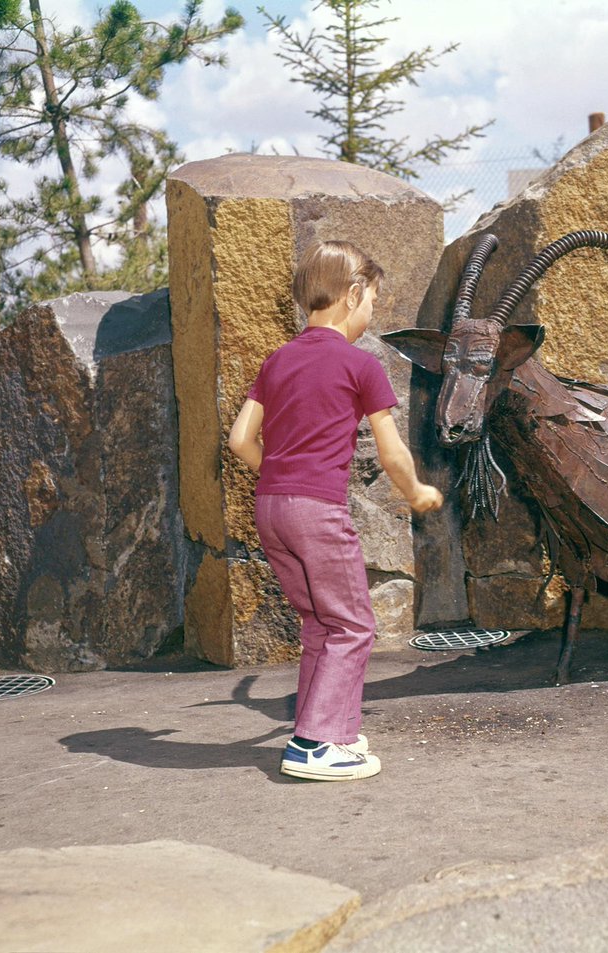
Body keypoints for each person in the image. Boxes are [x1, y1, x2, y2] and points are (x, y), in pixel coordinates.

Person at [227, 240, 443, 782]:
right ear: (352, 294)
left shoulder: (276, 360)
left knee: (320, 626)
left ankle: (334, 731)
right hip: (317, 510)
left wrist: (280, 478)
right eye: (372, 297)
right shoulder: (360, 364)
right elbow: (391, 451)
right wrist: (415, 491)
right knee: (352, 624)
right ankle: (313, 745)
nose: (372, 309)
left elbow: (238, 440)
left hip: (271, 507)